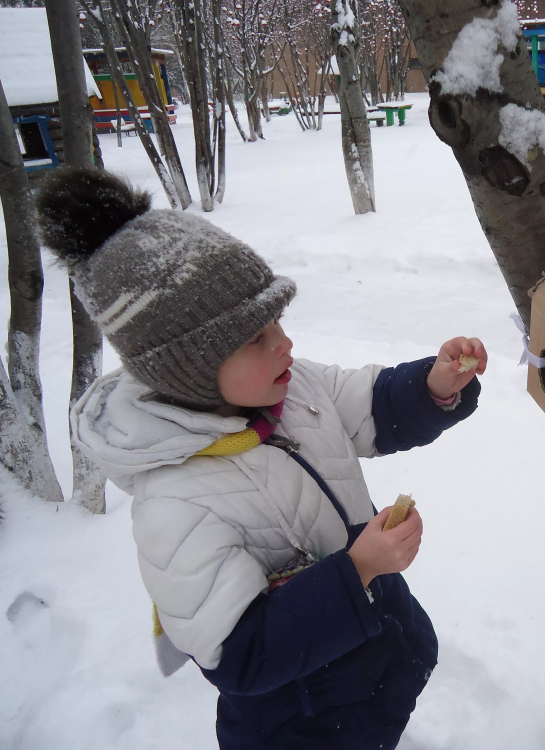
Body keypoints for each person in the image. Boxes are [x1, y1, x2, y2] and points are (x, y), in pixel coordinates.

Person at [34, 167, 487, 750]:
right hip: (303, 721)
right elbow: (240, 652)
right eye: (255, 336)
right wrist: (358, 572)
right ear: (188, 368)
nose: (285, 344)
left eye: (277, 321)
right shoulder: (174, 501)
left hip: (381, 662)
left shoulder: (290, 387)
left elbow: (371, 402)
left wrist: (433, 385)